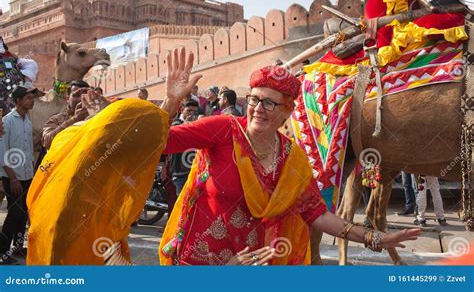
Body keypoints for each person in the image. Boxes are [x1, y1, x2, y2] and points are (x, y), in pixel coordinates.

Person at [159, 51, 421, 266]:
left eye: (269, 104)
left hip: (253, 264)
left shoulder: (290, 156)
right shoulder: (223, 129)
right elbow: (162, 142)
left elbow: (315, 212)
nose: (258, 109)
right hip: (199, 261)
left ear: (287, 113)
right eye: (254, 100)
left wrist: (372, 238)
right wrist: (170, 103)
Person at [25, 48, 201, 265]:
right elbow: (50, 140)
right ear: (67, 98)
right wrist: (87, 121)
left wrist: (169, 102)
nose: (82, 99)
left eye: (85, 94)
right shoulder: (66, 130)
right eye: (76, 96)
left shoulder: (108, 136)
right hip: (52, 226)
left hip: (96, 233)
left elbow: (138, 135)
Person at [0, 85, 37, 264]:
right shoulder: (7, 121)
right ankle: (2, 252)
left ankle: (18, 247)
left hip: (26, 175)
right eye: (28, 98)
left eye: (32, 97)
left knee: (23, 213)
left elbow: (28, 150)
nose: (32, 100)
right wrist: (12, 177)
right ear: (18, 101)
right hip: (12, 177)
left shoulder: (27, 122)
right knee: (14, 213)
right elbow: (2, 150)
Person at [41, 80, 90, 150]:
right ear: (67, 99)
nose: (80, 99)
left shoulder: (97, 116)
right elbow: (47, 142)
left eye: (84, 96)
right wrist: (74, 120)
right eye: (76, 95)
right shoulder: (56, 119)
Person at [168, 100, 199, 195]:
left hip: (194, 171)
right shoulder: (177, 122)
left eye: (194, 112)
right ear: (182, 110)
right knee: (183, 203)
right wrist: (188, 124)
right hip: (180, 172)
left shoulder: (196, 124)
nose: (191, 114)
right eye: (189, 111)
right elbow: (176, 130)